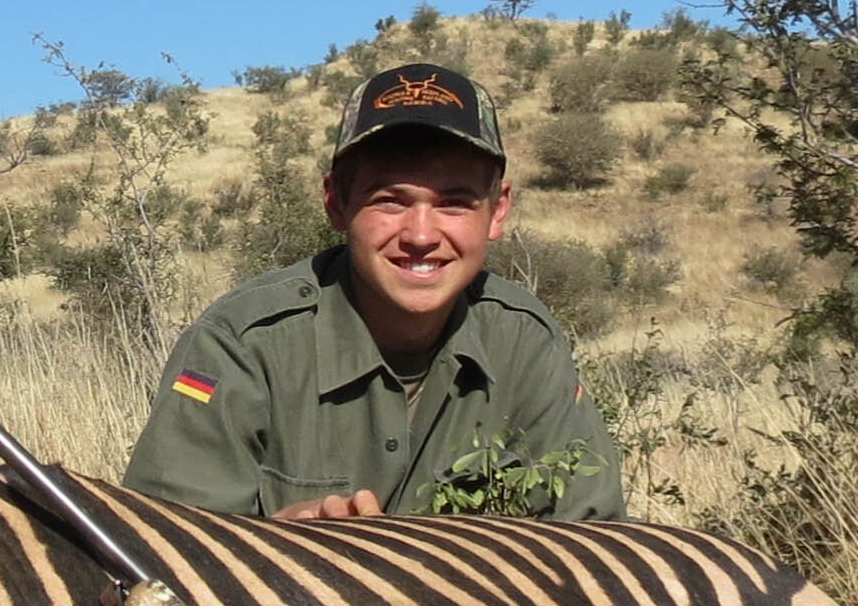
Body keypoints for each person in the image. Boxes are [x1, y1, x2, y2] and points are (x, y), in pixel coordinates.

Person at [124, 61, 623, 523]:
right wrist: (274, 545)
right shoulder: (241, 343)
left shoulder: (525, 340)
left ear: (497, 211)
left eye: (454, 203)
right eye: (390, 201)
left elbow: (594, 541)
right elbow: (161, 551)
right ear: (336, 205)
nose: (421, 235)